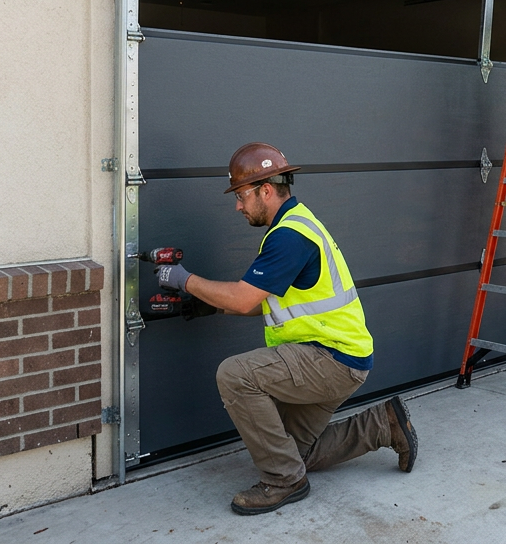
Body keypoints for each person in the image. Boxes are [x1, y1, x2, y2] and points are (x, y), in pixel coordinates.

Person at [152, 142, 419, 516]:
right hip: (340, 356)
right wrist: (209, 305)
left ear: (265, 189)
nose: (238, 206)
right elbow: (267, 301)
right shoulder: (295, 224)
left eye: (241, 195)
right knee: (296, 453)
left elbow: (245, 298)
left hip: (331, 358)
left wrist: (184, 280)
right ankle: (383, 425)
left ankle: (283, 482)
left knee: (234, 375)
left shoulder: (289, 236)